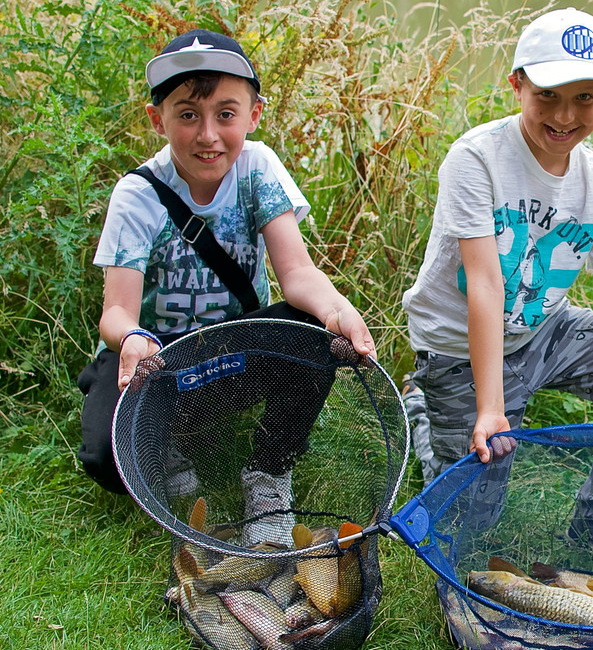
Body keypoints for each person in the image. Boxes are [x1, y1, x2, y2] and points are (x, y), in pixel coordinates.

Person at [401, 8, 593, 580]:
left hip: (543, 329)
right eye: (549, 95)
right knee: (471, 525)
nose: (565, 115)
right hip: (461, 343)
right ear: (517, 84)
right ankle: (424, 416)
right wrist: (491, 409)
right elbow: (483, 283)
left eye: (585, 98)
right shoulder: (476, 158)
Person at [77, 29, 376, 544]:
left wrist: (337, 309)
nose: (208, 134)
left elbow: (298, 274)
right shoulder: (137, 196)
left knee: (312, 332)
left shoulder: (258, 168)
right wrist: (131, 340)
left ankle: (268, 472)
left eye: (226, 114)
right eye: (188, 114)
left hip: (237, 348)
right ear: (158, 119)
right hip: (158, 361)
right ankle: (169, 441)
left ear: (254, 115)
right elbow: (115, 313)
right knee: (106, 459)